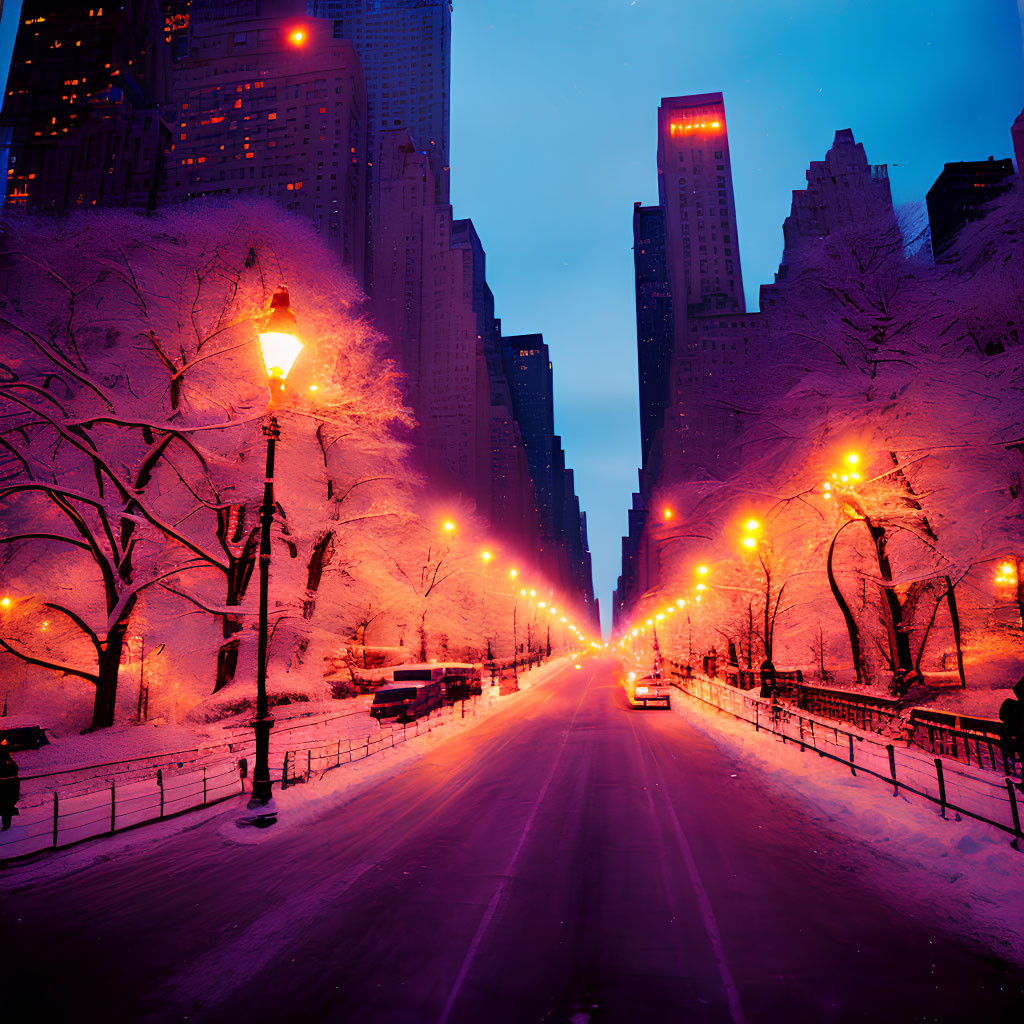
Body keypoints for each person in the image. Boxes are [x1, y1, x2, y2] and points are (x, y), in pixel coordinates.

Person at [0, 738, 20, 831]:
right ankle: (6, 826)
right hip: (9, 786)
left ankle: (6, 827)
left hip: (7, 787)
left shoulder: (8, 761)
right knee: (7, 808)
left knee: (6, 808)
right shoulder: (8, 761)